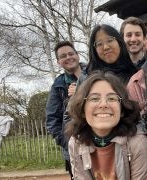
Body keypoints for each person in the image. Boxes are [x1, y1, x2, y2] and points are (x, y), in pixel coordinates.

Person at [65, 71, 147, 180]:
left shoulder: (137, 143)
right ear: (82, 109)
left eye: (111, 98)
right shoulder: (75, 143)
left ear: (122, 110)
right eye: (94, 98)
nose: (103, 105)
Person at [45, 41, 86, 179]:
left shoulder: (95, 73)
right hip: (74, 149)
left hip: (101, 142)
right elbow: (52, 120)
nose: (68, 57)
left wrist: (82, 90)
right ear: (58, 62)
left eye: (71, 53)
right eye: (63, 56)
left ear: (78, 55)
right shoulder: (57, 86)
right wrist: (67, 142)